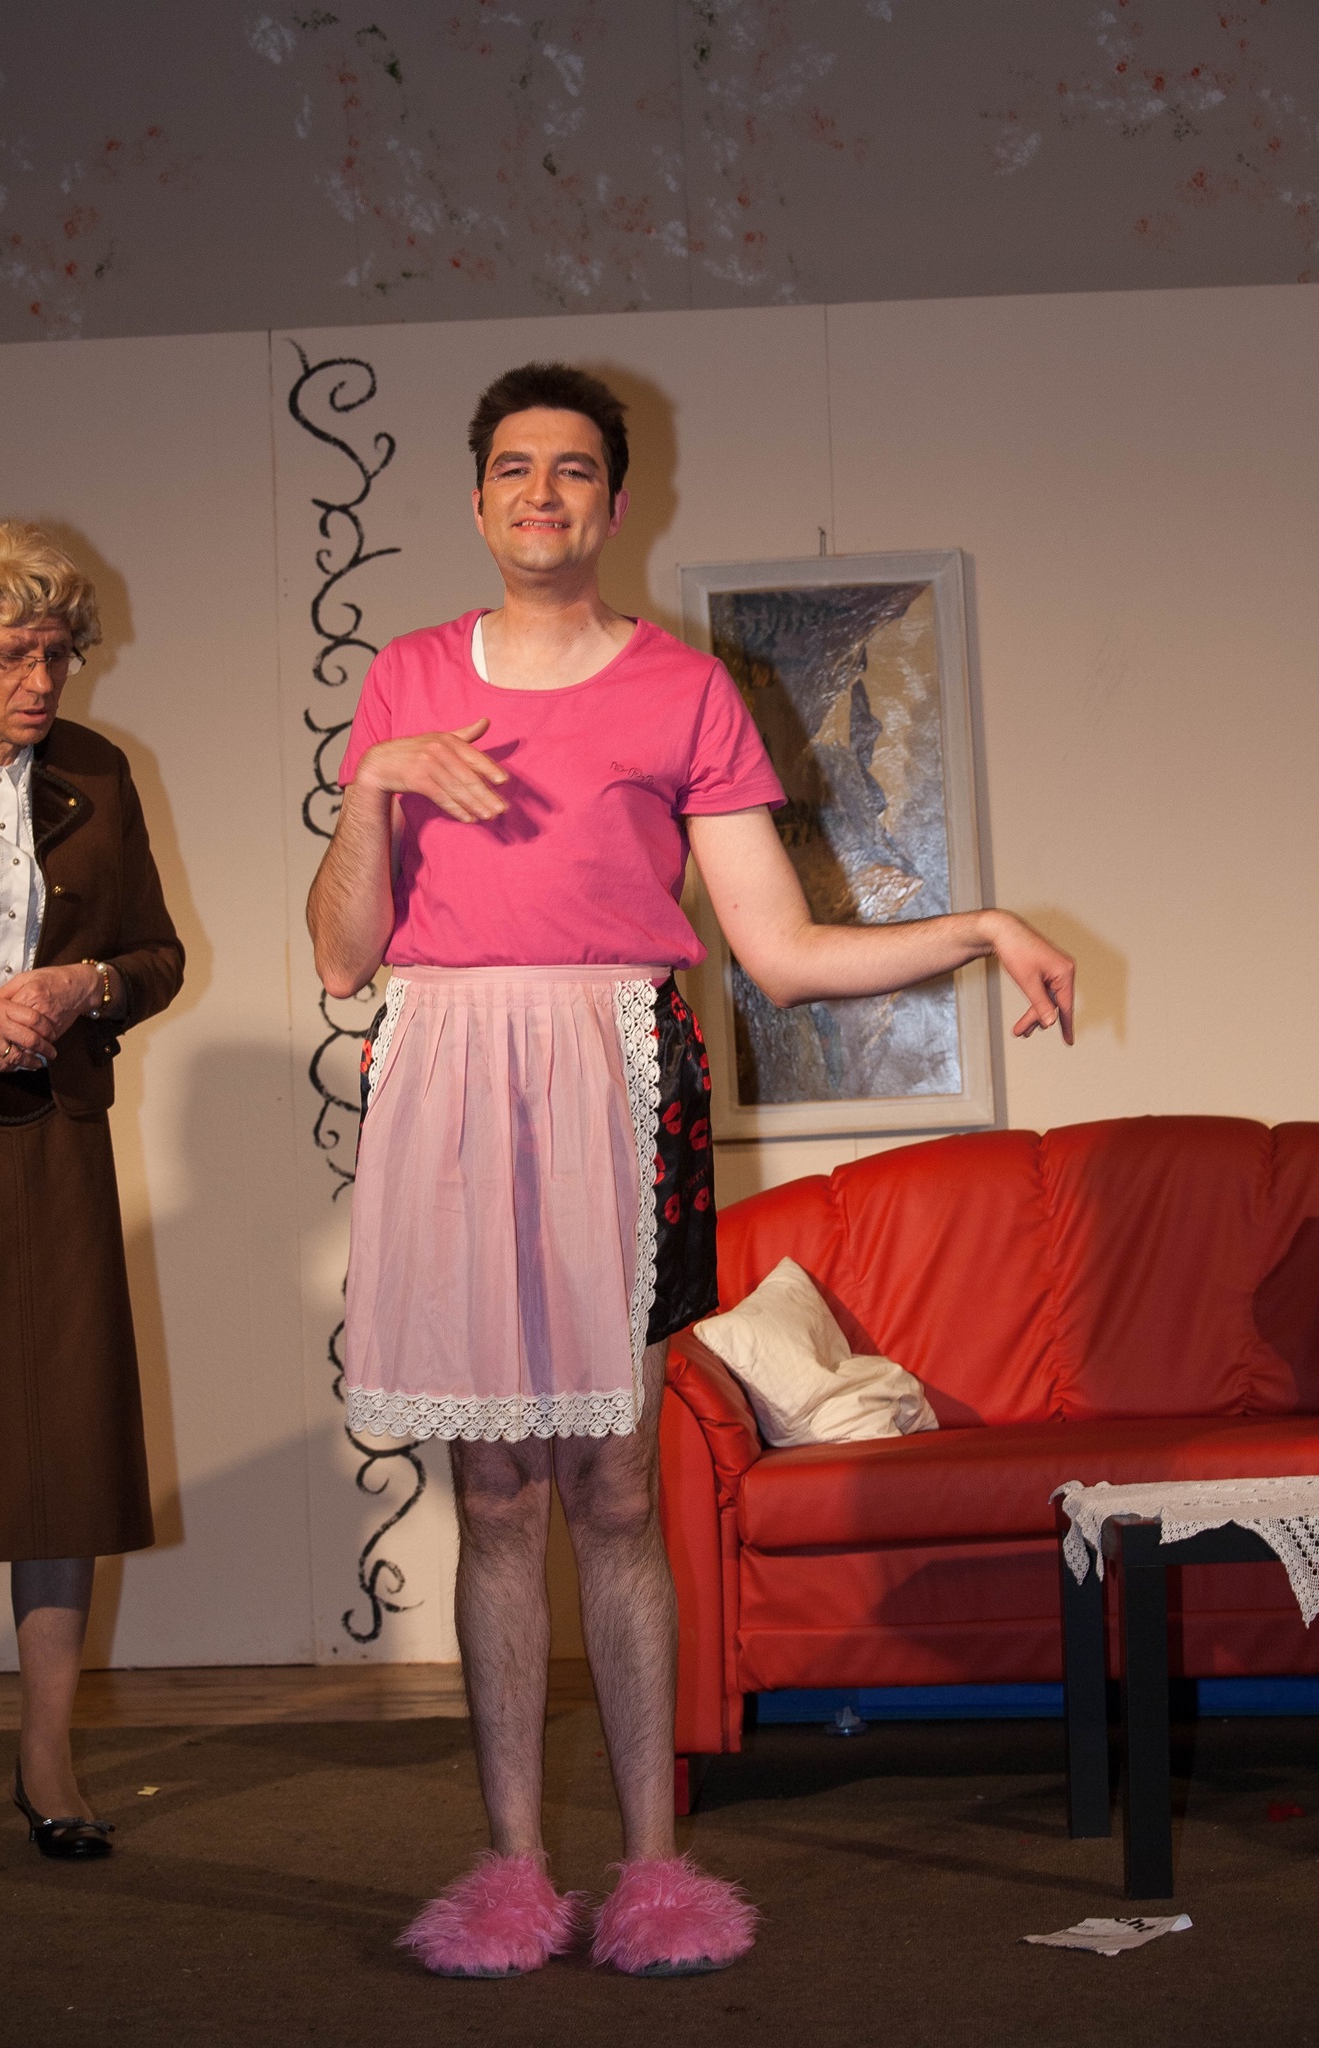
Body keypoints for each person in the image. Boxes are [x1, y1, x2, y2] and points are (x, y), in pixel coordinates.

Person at [307, 364, 1074, 1977]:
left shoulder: (683, 690)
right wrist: (368, 789)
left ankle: (653, 1871)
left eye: (573, 470)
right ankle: (511, 1869)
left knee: (609, 1486)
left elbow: (779, 953)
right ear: (477, 497)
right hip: (447, 1070)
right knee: (491, 1494)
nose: (542, 494)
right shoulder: (406, 679)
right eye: (515, 468)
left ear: (614, 501)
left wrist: (982, 926)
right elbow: (341, 953)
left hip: (618, 1070)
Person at [0, 522, 184, 1860]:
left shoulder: (97, 770)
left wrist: (82, 986)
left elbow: (154, 957)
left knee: (60, 1450)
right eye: (14, 654)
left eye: (60, 654)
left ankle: (46, 1757)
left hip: (52, 1139)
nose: (43, 681)